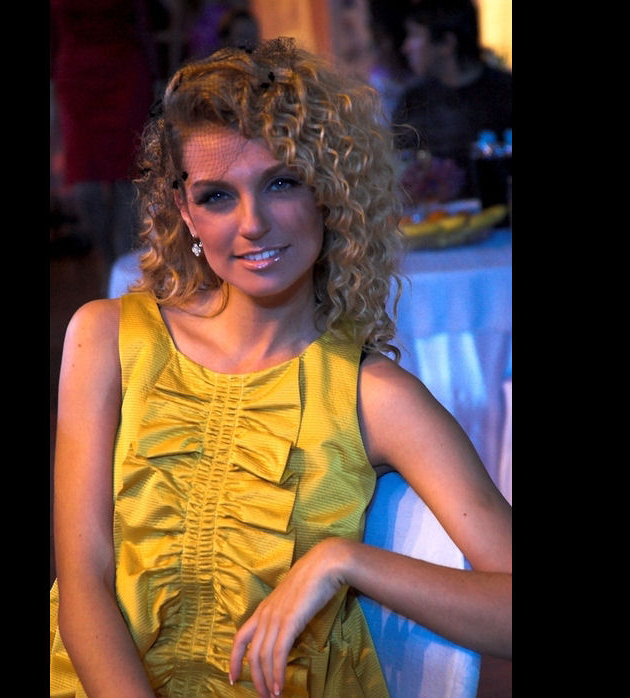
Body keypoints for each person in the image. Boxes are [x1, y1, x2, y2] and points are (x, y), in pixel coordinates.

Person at [49, 37, 511, 697]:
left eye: (282, 182)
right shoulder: (106, 338)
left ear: (329, 192)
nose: (253, 224)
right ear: (185, 213)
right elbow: (83, 582)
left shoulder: (375, 396)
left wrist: (345, 561)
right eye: (216, 196)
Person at [50, 0, 162, 274]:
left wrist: (157, 78)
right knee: (84, 187)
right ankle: (108, 259)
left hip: (125, 73)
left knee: (130, 176)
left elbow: (143, 21)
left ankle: (124, 266)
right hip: (76, 79)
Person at [392, 0, 512, 200]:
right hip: (436, 217)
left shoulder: (505, 93)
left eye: (415, 35)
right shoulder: (413, 101)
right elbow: (397, 169)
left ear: (446, 43)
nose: (406, 48)